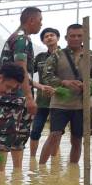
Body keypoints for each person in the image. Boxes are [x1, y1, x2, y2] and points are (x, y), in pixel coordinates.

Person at [39, 23, 92, 164]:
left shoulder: (91, 56)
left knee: (77, 139)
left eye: (79, 36)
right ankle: (40, 171)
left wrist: (88, 85)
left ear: (85, 37)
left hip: (81, 105)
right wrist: (64, 82)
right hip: (60, 104)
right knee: (54, 135)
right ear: (66, 38)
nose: (76, 38)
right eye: (72, 36)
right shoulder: (57, 55)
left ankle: (73, 172)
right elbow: (46, 76)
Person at [0, 6, 49, 172]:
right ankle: (0, 178)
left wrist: (38, 85)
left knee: (19, 138)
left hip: (19, 96)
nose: (41, 25)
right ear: (31, 20)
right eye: (40, 21)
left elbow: (23, 72)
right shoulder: (21, 40)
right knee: (6, 137)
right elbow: (21, 69)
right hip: (13, 97)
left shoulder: (22, 38)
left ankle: (17, 176)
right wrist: (30, 98)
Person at [29, 27, 59, 157]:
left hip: (60, 101)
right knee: (35, 131)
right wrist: (38, 85)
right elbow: (26, 74)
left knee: (56, 133)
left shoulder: (66, 56)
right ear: (43, 41)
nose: (49, 37)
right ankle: (32, 160)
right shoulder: (40, 57)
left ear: (57, 38)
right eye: (46, 36)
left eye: (52, 35)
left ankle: (55, 160)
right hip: (42, 102)